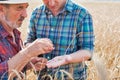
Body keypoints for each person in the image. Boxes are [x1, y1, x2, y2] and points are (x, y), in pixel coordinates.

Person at [25, 0, 94, 79]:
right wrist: (34, 54)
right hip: (43, 77)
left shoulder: (82, 14)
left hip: (72, 77)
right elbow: (29, 42)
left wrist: (66, 59)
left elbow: (88, 51)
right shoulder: (36, 13)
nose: (51, 3)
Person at [0, 0, 54, 79]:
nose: (25, 15)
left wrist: (28, 64)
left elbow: (9, 63)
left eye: (25, 8)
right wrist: (28, 52)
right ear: (1, 9)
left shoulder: (14, 32)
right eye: (19, 8)